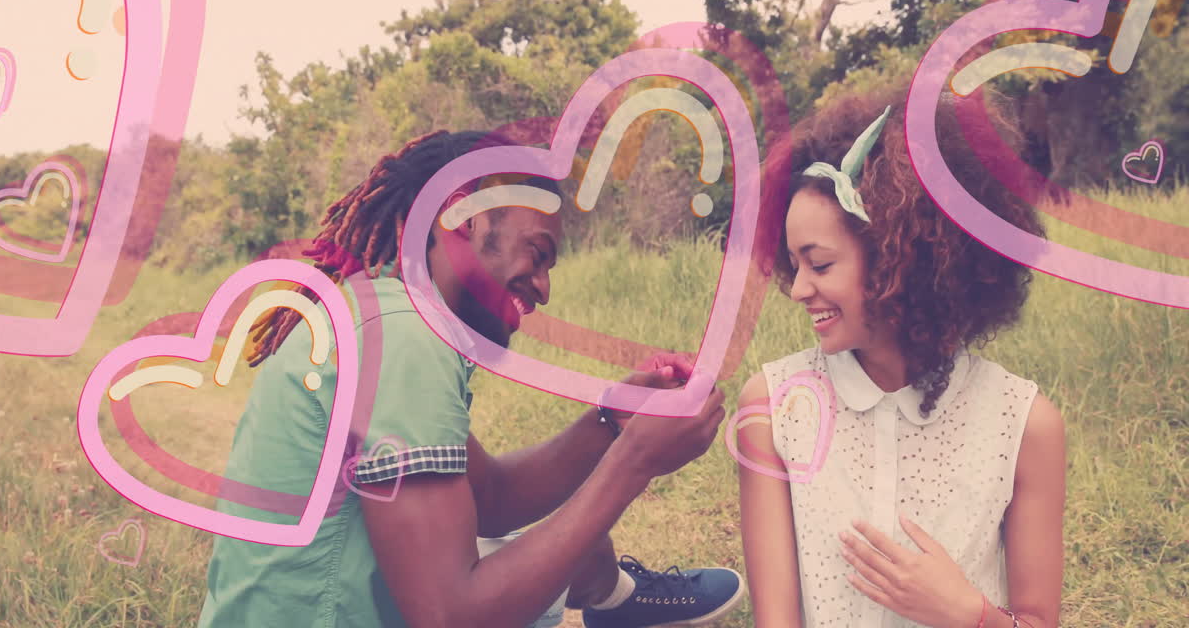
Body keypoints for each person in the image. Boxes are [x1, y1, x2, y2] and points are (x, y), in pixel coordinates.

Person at [198, 130, 746, 628]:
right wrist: (636, 463)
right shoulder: (402, 334)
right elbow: (450, 616)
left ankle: (615, 598)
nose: (544, 287)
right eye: (538, 253)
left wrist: (611, 420)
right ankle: (617, 601)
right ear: (464, 216)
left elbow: (492, 497)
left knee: (539, 544)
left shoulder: (379, 313)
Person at [736, 88, 1066, 627]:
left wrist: (966, 612)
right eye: (793, 264)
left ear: (898, 259)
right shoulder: (773, 409)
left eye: (819, 265)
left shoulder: (1026, 426)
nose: (797, 289)